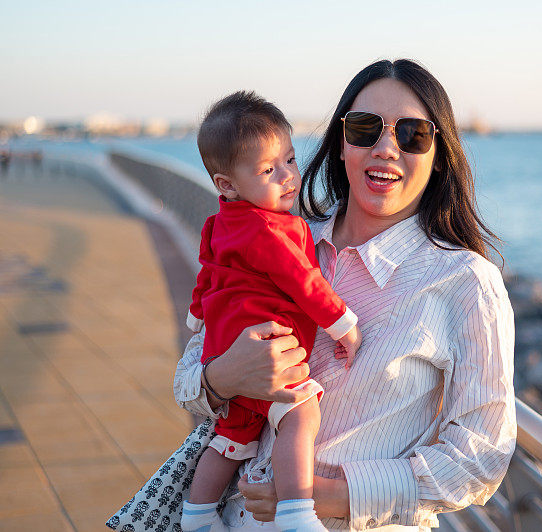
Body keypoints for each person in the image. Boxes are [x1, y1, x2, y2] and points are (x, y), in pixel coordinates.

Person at [174, 58, 516, 531]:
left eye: (413, 134)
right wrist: (224, 377)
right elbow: (187, 383)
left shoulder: (465, 282)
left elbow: (479, 460)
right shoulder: (272, 239)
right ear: (340, 143)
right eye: (364, 128)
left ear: (439, 153)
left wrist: (322, 498)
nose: (387, 148)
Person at [181, 91, 362, 532]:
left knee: (231, 439)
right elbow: (305, 282)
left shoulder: (217, 222)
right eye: (268, 170)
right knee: (301, 413)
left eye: (291, 161)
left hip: (226, 348)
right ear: (227, 184)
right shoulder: (270, 231)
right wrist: (345, 327)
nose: (288, 177)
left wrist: (195, 320)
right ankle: (299, 512)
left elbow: (206, 276)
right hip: (268, 347)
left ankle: (197, 514)